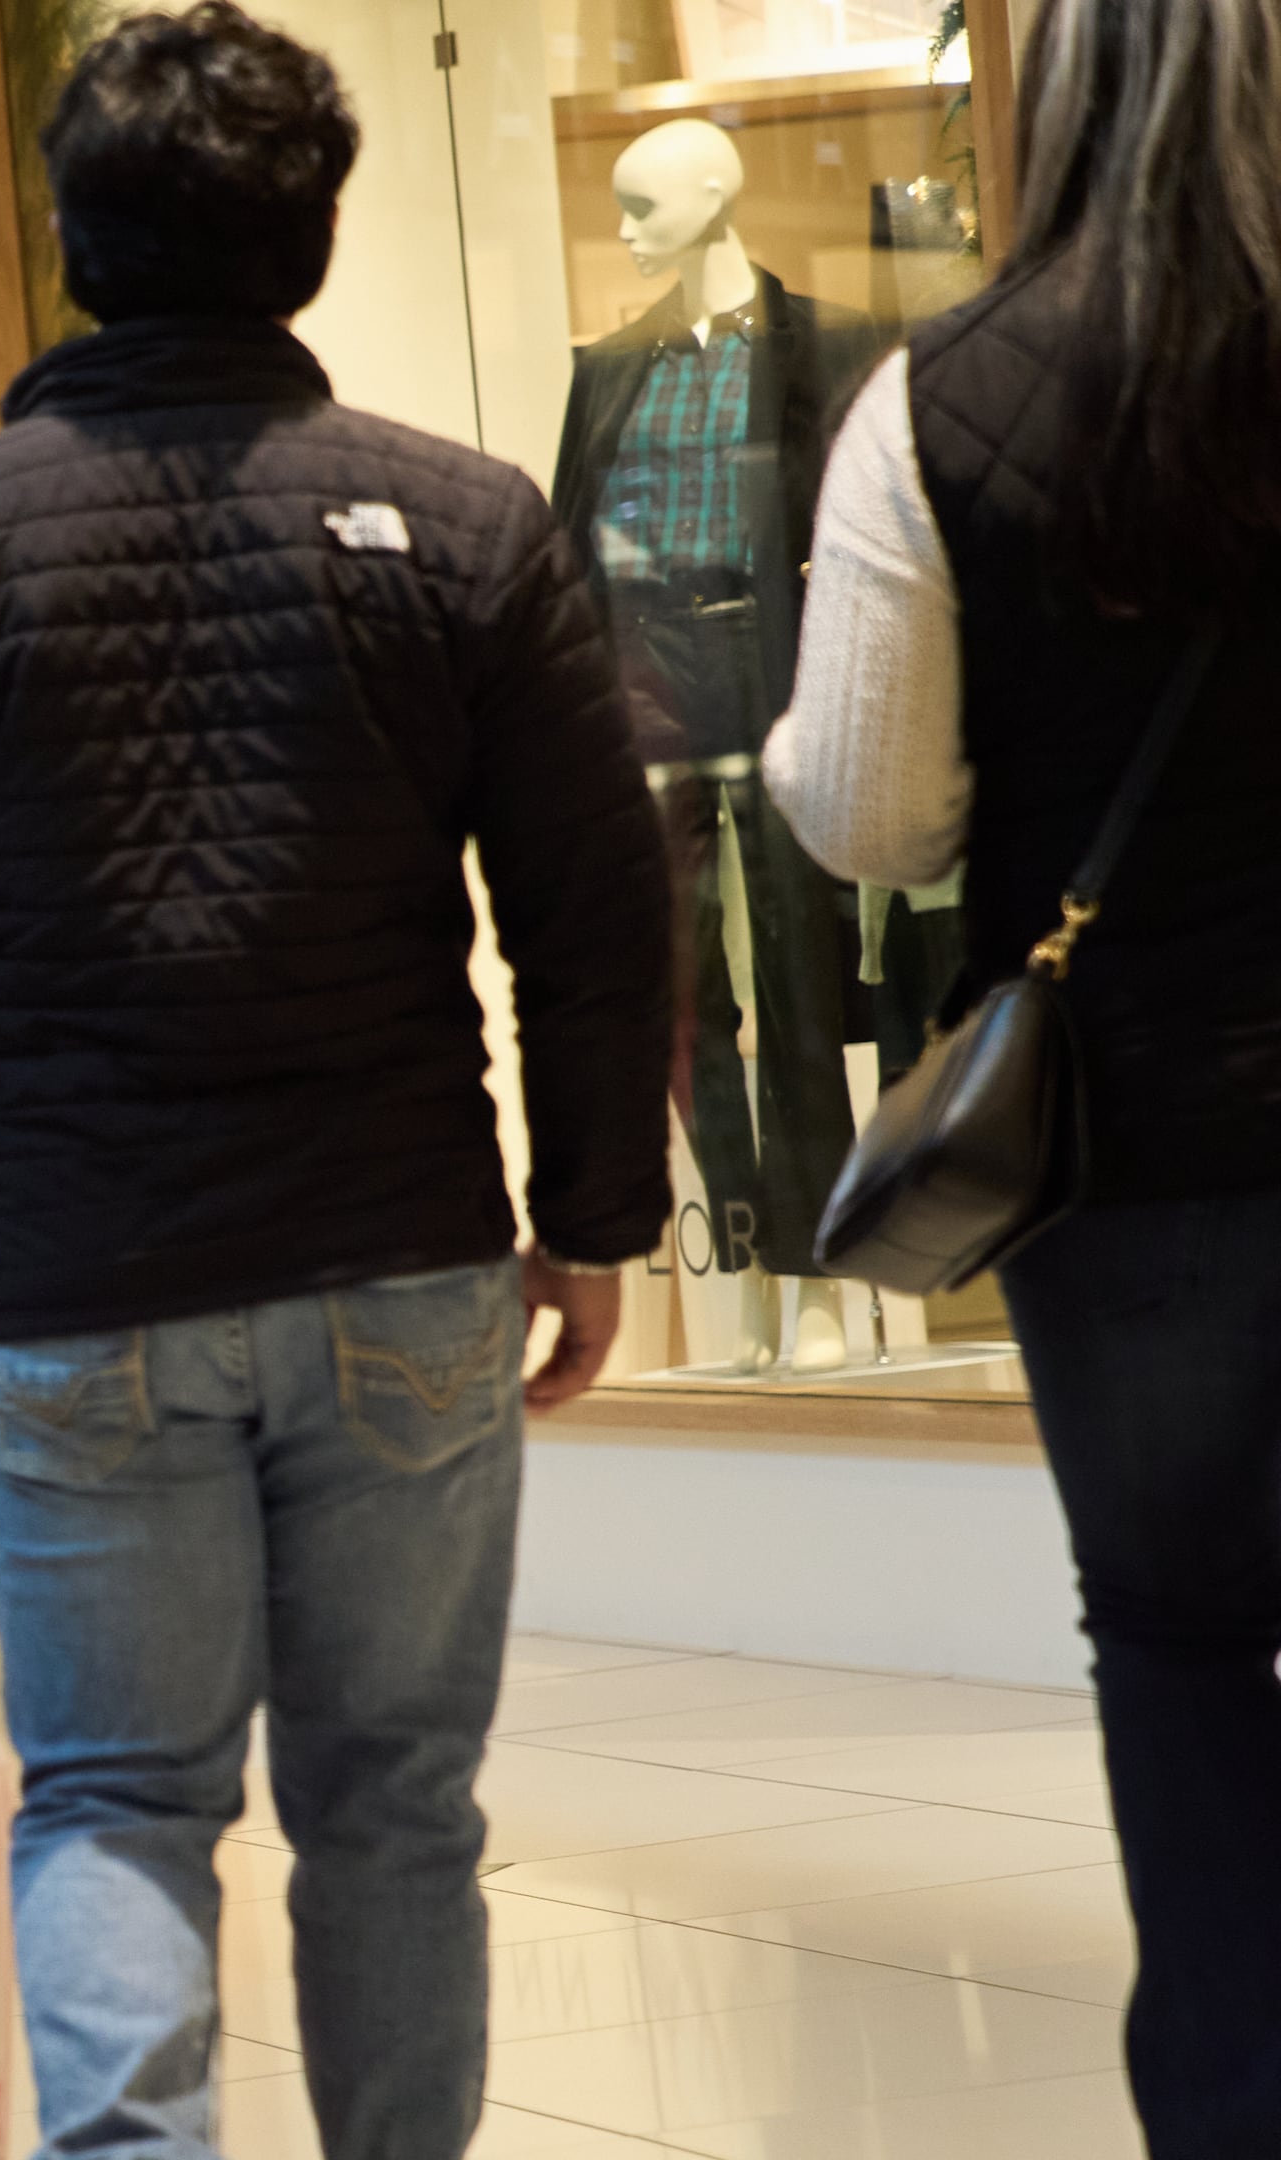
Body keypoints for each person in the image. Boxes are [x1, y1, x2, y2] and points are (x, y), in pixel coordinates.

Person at [0, 9, 674, 2154]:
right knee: (398, 1806)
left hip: (86, 1297)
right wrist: (596, 1217)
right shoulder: (470, 525)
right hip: (409, 1273)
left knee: (124, 1808)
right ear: (311, 241)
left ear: (75, 236)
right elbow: (601, 912)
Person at [761, 0, 1281, 2141]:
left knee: (1175, 1643)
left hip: (1142, 1150)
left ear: (1053, 91)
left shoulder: (939, 404)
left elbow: (869, 810)